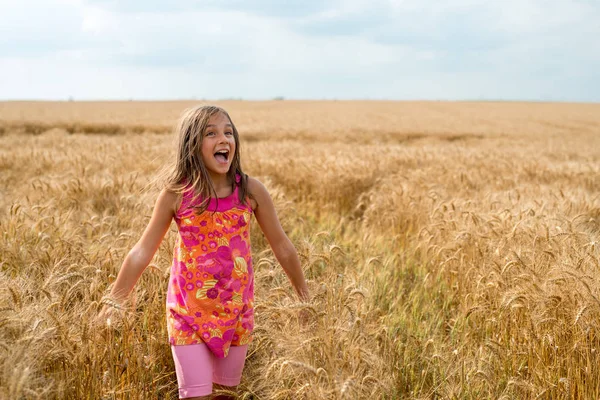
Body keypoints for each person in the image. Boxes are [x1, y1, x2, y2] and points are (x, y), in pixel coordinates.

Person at [97, 105, 310, 399]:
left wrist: (305, 298)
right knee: (195, 395)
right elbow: (142, 251)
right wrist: (116, 298)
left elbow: (283, 247)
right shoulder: (177, 194)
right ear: (193, 145)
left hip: (237, 313)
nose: (223, 138)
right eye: (211, 133)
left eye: (228, 132)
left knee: (225, 396)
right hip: (187, 314)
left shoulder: (250, 191)